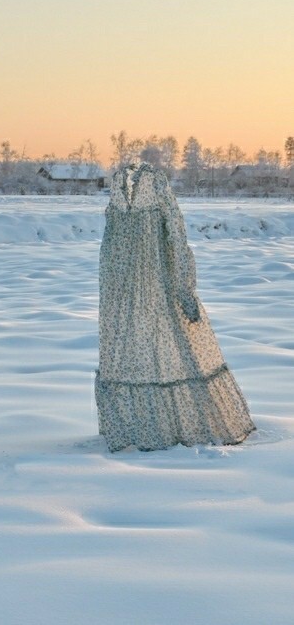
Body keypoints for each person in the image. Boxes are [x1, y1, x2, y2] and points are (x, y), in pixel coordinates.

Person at [95, 153, 255, 452]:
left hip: (158, 279)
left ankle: (180, 425)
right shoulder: (116, 186)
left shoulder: (157, 183)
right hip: (119, 287)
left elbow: (178, 238)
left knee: (171, 346)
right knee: (132, 350)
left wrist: (184, 285)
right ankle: (136, 427)